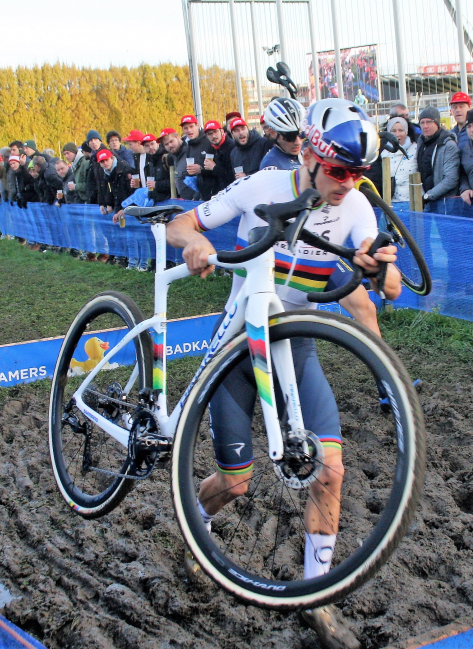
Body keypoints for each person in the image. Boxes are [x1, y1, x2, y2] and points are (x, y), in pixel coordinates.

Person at [164, 98, 399, 649]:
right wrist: (197, 241)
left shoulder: (355, 207)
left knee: (331, 471)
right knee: (235, 485)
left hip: (298, 348)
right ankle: (195, 522)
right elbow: (179, 225)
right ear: (313, 155)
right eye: (340, 170)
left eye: (359, 174)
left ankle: (315, 596)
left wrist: (383, 267)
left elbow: (380, 282)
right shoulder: (263, 186)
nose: (348, 183)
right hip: (239, 354)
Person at [416, 106, 460, 211]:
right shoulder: (421, 142)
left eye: (429, 122)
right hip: (426, 202)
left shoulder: (448, 145)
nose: (425, 126)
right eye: (422, 123)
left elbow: (451, 179)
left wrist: (428, 195)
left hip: (445, 203)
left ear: (437, 123)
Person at [259, 98, 306, 171]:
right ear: (273, 133)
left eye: (302, 134)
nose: (298, 142)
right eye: (290, 137)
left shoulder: (309, 149)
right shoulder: (270, 164)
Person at [177, 115, 214, 199]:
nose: (189, 130)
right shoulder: (189, 145)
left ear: (197, 125)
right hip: (201, 192)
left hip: (215, 192)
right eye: (185, 128)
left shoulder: (208, 140)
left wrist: (201, 169)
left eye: (191, 126)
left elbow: (217, 167)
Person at [382, 116, 418, 203]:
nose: (397, 134)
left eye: (401, 130)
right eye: (393, 131)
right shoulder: (383, 152)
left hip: (413, 201)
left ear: (406, 131)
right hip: (390, 202)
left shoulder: (416, 149)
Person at [198, 120, 236, 199]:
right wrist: (202, 169)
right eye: (210, 134)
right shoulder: (211, 147)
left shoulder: (232, 147)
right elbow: (212, 174)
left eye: (215, 132)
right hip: (217, 194)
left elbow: (232, 175)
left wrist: (214, 168)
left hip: (232, 193)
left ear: (222, 131)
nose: (213, 136)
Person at [449, 91, 472, 158]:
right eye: (455, 107)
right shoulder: (450, 134)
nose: (457, 110)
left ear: (470, 108)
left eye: (461, 107)